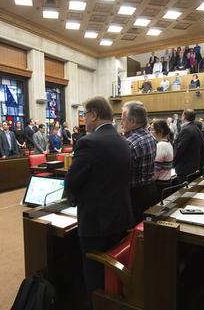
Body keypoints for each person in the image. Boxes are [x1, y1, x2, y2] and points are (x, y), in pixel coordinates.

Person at [64, 96, 132, 298]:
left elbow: (72, 181)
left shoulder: (88, 142)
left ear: (93, 114)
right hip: (120, 218)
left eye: (84, 114)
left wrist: (72, 200)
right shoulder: (123, 140)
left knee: (94, 276)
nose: (84, 119)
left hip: (96, 222)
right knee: (111, 273)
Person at [121, 101, 157, 225]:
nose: (121, 123)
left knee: (132, 231)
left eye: (123, 119)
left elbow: (120, 173)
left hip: (134, 195)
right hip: (148, 190)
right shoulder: (150, 136)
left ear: (133, 121)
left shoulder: (130, 142)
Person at [173, 109, 204, 183]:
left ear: (184, 116)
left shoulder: (186, 130)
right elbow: (203, 146)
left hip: (185, 169)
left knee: (183, 192)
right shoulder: (196, 128)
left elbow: (179, 149)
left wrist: (173, 164)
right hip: (194, 167)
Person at [151, 119, 174, 196]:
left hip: (160, 184)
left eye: (152, 130)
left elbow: (156, 170)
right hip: (166, 182)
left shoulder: (161, 146)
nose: (151, 132)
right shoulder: (168, 143)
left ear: (160, 131)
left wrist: (149, 181)